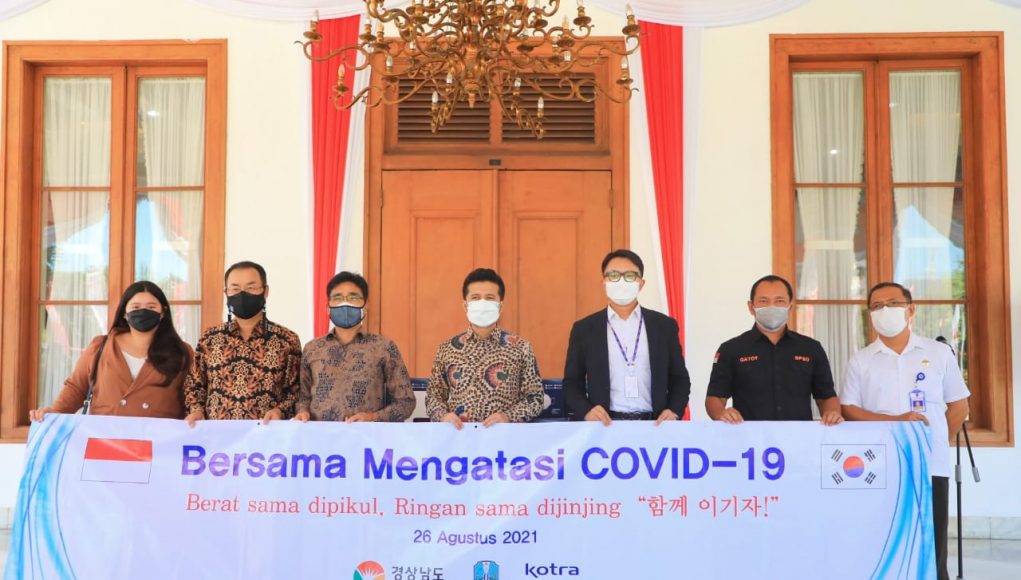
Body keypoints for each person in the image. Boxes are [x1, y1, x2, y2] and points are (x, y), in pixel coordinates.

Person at [840, 282, 970, 580]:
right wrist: (896, 423)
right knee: (882, 543)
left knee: (930, 544)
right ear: (870, 315)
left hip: (930, 465)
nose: (884, 310)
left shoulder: (939, 353)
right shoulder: (861, 360)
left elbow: (959, 406)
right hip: (879, 467)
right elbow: (849, 409)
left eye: (893, 303)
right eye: (876, 306)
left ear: (911, 309)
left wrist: (932, 444)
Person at [30, 281, 192, 421]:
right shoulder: (100, 347)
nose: (143, 312)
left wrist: (197, 418)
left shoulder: (181, 351)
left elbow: (193, 396)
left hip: (160, 442)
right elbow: (77, 388)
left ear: (163, 312)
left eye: (151, 307)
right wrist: (54, 412)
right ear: (125, 313)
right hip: (106, 441)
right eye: (135, 307)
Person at [563, 249, 690, 425]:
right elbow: (571, 383)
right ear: (603, 282)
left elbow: (680, 379)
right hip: (605, 426)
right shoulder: (584, 329)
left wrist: (674, 411)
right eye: (614, 275)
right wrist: (586, 412)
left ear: (641, 283)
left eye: (630, 276)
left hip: (655, 426)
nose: (621, 281)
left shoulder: (664, 326)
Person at [705, 275, 842, 425]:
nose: (772, 307)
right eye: (764, 301)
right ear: (751, 307)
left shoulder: (811, 348)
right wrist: (721, 413)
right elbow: (715, 398)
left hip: (800, 436)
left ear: (790, 306)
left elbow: (826, 397)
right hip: (747, 436)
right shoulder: (731, 349)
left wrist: (832, 413)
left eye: (779, 301)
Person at [184, 261, 301, 425]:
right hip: (217, 435)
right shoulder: (210, 338)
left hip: (266, 434)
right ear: (226, 292)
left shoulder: (287, 340)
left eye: (251, 288)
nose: (242, 294)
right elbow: (195, 384)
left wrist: (280, 411)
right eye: (235, 289)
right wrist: (196, 410)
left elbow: (295, 390)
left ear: (265, 291)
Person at [425, 268, 544, 428]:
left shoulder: (521, 348)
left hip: (505, 440)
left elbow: (535, 398)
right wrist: (443, 415)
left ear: (500, 306)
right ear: (465, 305)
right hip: (459, 439)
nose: (482, 303)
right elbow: (433, 396)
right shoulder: (447, 349)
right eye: (475, 298)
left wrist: (508, 417)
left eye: (489, 298)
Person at [294, 271, 415, 423]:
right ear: (328, 307)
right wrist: (303, 412)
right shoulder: (312, 348)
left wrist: (372, 417)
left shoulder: (384, 347)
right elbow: (303, 397)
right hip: (319, 436)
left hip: (365, 436)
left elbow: (405, 402)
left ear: (366, 306)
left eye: (353, 297)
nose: (345, 303)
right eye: (337, 298)